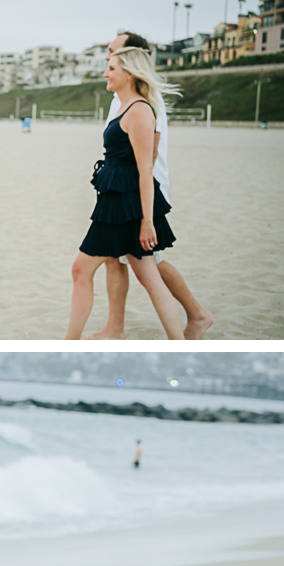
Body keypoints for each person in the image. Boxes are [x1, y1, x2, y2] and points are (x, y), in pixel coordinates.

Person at [83, 32, 213, 341]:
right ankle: (116, 328)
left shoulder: (143, 99)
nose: (106, 59)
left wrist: (144, 212)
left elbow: (148, 157)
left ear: (132, 60)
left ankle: (196, 315)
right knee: (120, 258)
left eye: (113, 52)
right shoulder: (121, 93)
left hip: (143, 190)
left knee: (149, 263)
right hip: (123, 190)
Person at [66, 46, 185, 340]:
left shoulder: (140, 110)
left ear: (130, 74)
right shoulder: (124, 106)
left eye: (113, 69)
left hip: (128, 205)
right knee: (146, 277)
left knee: (84, 269)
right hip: (116, 201)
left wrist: (147, 221)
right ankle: (178, 341)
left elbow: (146, 169)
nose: (106, 73)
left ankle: (70, 342)